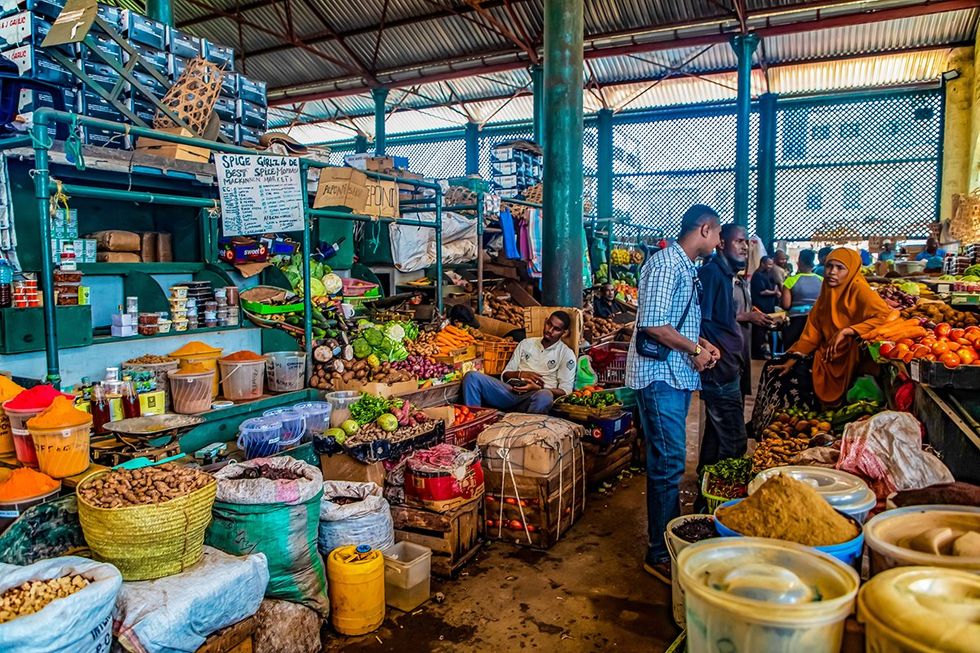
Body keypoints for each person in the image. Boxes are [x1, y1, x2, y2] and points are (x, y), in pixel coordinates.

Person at [626, 204, 721, 583]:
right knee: (668, 465)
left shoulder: (685, 266)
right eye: (716, 234)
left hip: (676, 375)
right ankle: (659, 553)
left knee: (670, 462)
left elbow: (676, 321)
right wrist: (695, 351)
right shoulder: (668, 264)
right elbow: (653, 325)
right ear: (704, 229)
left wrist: (702, 344)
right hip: (659, 375)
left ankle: (666, 542)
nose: (718, 241)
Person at [697, 224, 773, 470]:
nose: (744, 247)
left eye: (746, 243)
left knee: (716, 435)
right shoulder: (711, 274)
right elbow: (700, 324)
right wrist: (710, 358)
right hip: (719, 370)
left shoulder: (726, 276)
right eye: (738, 241)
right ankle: (724, 501)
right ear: (721, 243)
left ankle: (705, 491)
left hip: (730, 366)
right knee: (734, 441)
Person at [772, 248, 891, 405]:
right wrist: (793, 357)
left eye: (840, 268)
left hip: (853, 362)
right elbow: (812, 333)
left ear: (852, 270)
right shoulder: (826, 294)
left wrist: (848, 330)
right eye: (829, 266)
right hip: (827, 358)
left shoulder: (859, 289)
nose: (832, 272)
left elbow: (885, 316)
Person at [460, 311, 575, 414]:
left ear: (564, 333)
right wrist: (520, 374)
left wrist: (537, 389)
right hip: (510, 392)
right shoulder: (526, 343)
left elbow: (565, 391)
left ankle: (527, 431)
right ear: (545, 321)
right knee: (471, 377)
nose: (550, 330)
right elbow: (505, 374)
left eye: (556, 329)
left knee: (545, 396)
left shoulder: (566, 354)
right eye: (549, 324)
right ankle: (474, 420)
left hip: (534, 397)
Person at [781, 249, 823, 349]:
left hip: (796, 320)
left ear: (799, 262)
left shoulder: (790, 281)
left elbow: (786, 305)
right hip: (816, 321)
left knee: (793, 350)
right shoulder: (822, 280)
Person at [750, 256, 780, 358]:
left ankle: (764, 351)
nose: (771, 266)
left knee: (765, 331)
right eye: (769, 264)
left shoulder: (769, 274)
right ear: (762, 263)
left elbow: (775, 283)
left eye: (772, 264)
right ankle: (757, 353)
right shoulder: (758, 275)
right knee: (759, 331)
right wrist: (774, 292)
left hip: (768, 307)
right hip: (760, 307)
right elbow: (762, 291)